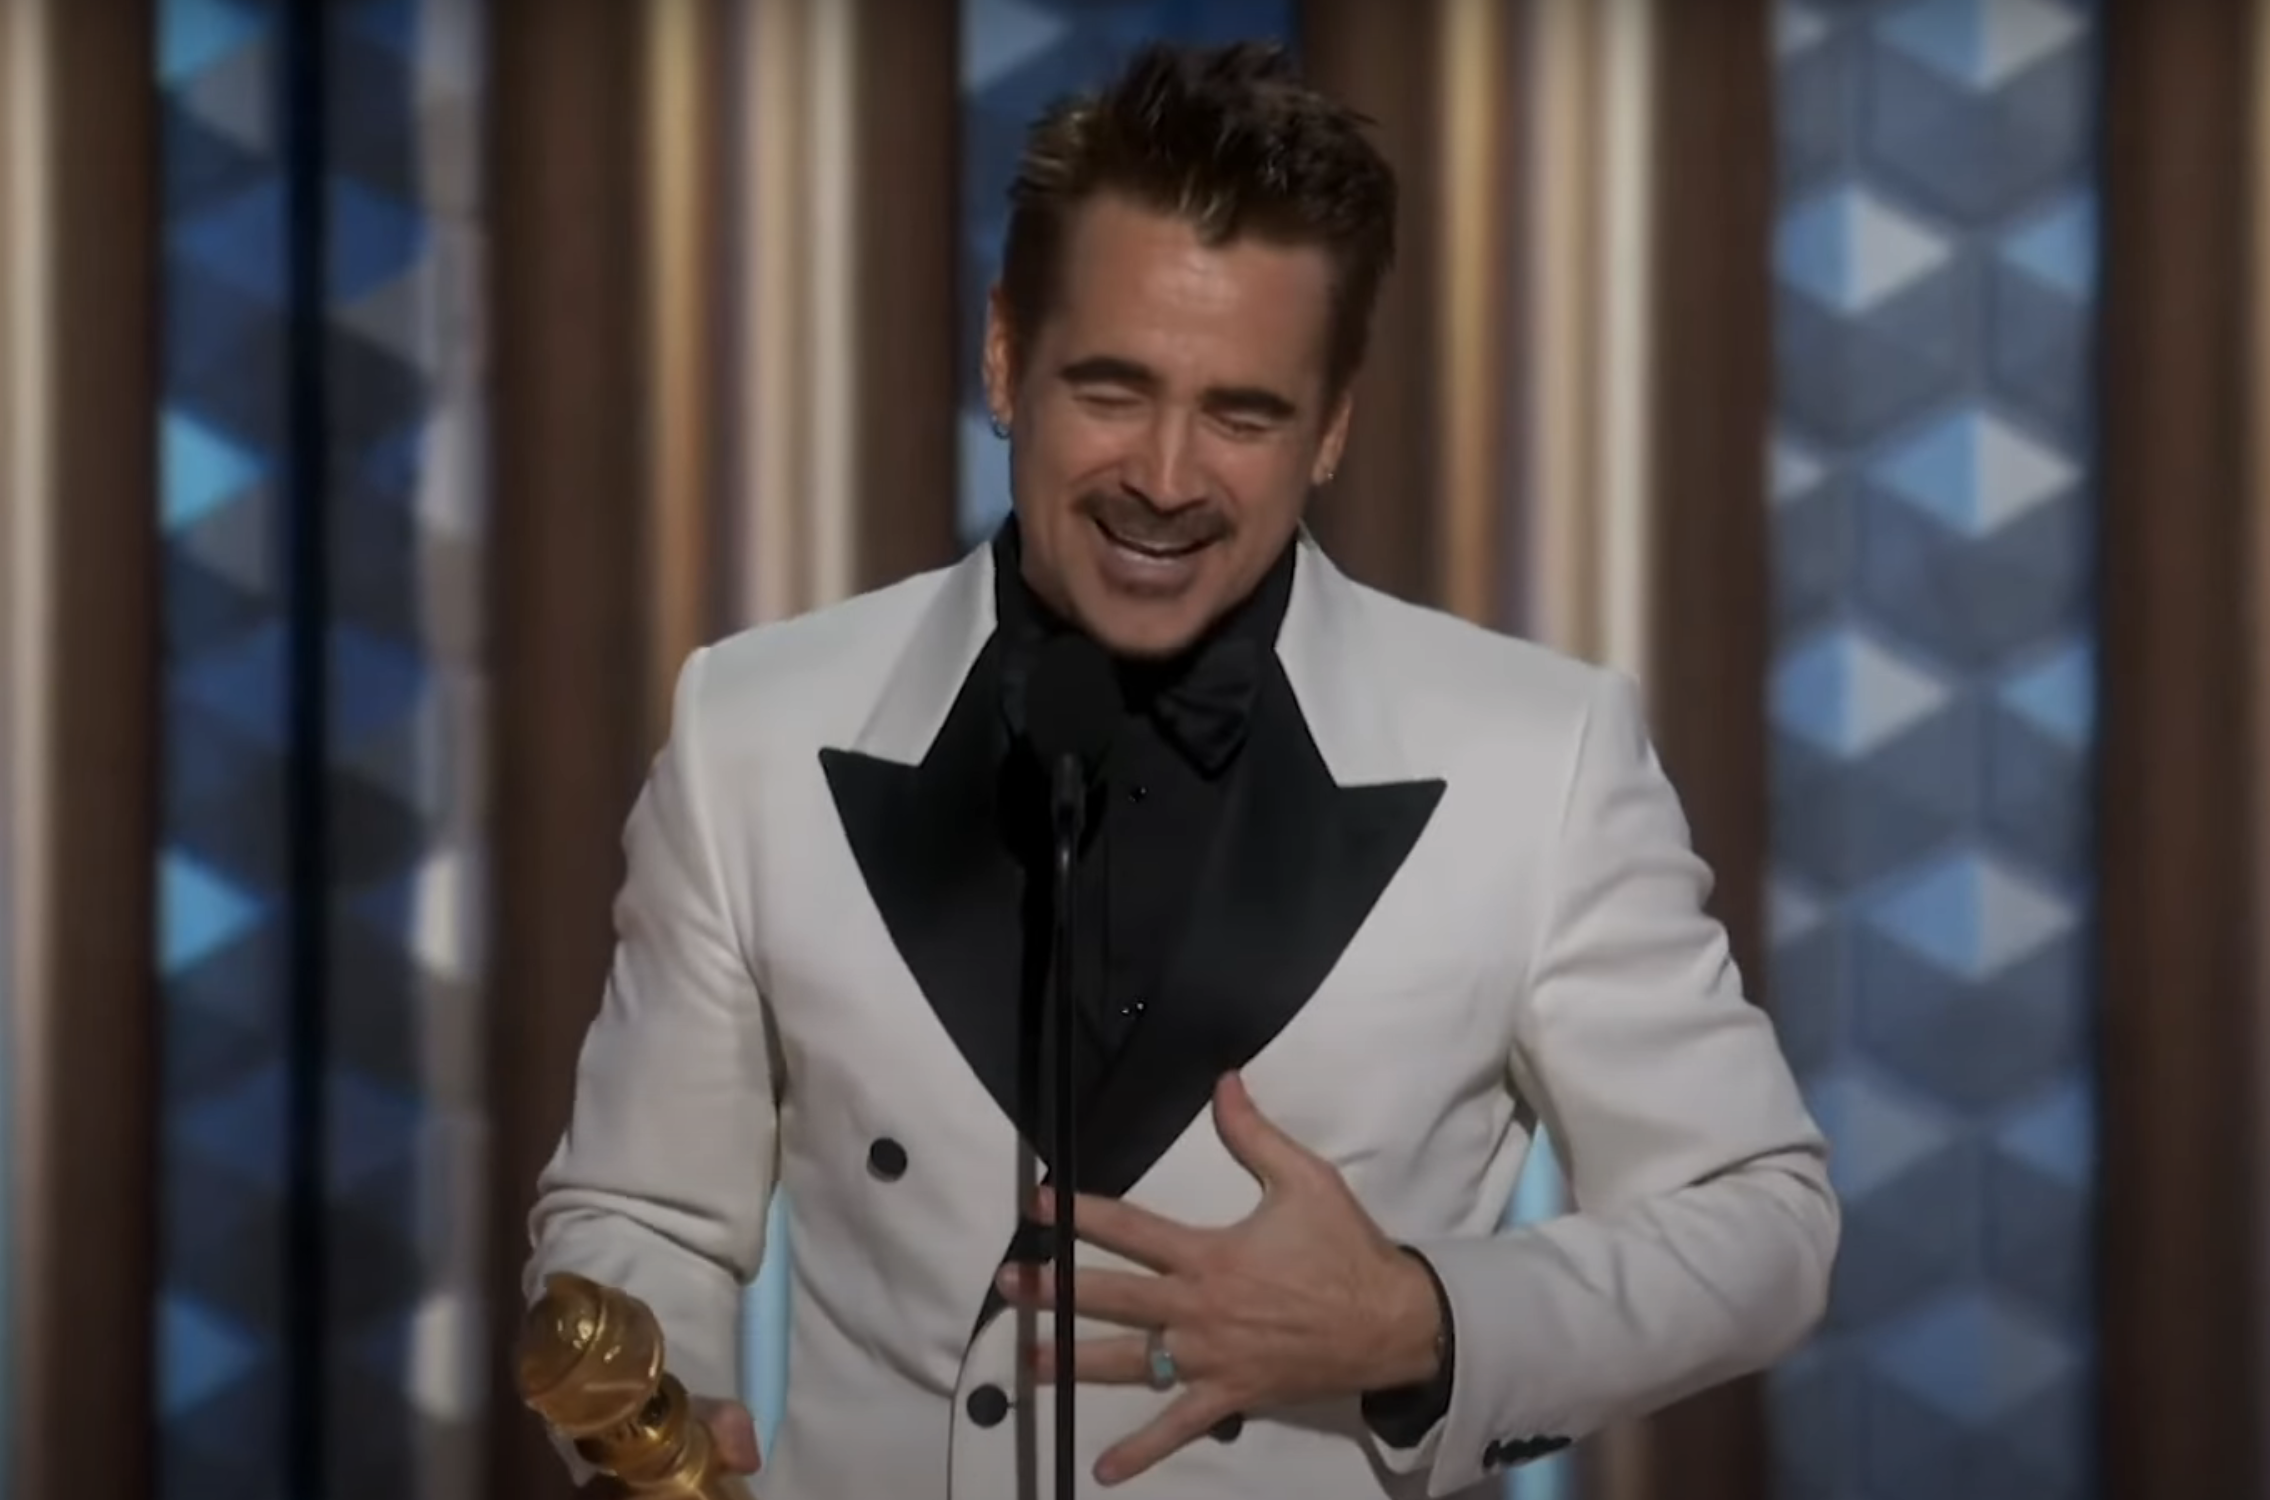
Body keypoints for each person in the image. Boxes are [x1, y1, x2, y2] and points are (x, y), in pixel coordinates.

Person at [525, 40, 1836, 1500]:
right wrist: (653, 1418)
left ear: (1330, 425)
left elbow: (1763, 1224)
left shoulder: (1539, 758)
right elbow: (640, 1212)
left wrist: (1416, 1317)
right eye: (1113, 387)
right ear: (1005, 354)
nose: (1164, 474)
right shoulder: (751, 728)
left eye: (1243, 413)